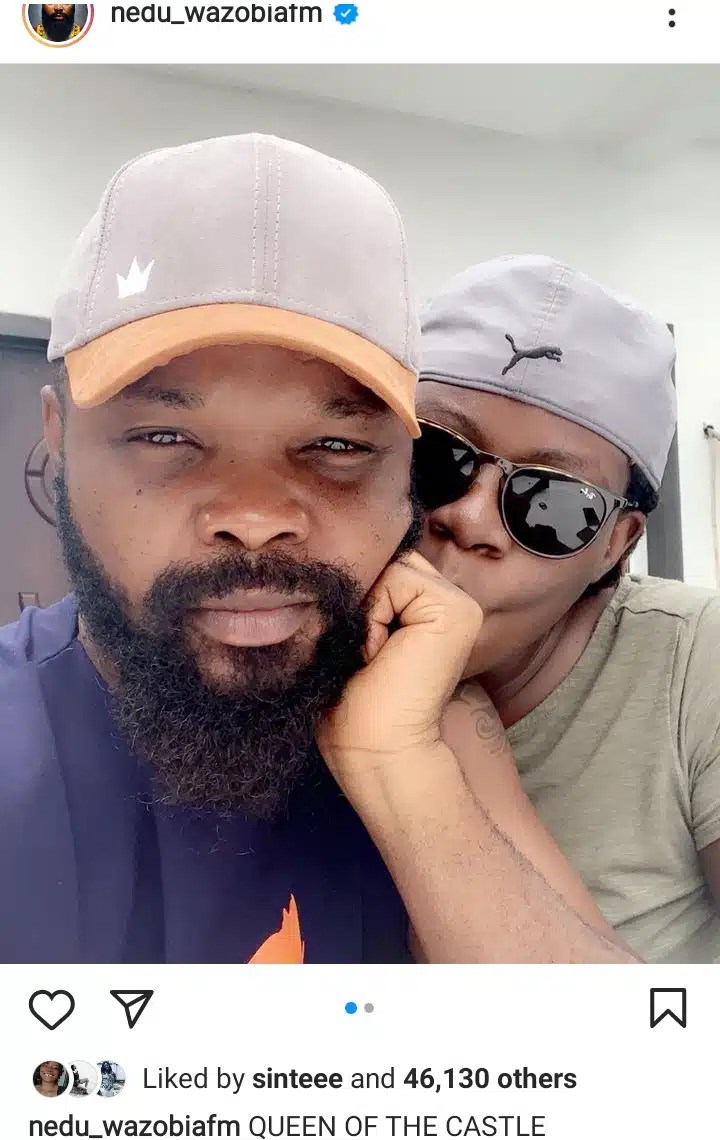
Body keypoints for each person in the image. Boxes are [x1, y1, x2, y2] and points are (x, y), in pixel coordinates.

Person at [0, 136, 634, 966]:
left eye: (337, 446)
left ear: (408, 469)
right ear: (58, 440)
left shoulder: (430, 719)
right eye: (164, 436)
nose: (256, 518)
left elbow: (616, 1049)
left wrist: (398, 767)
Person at [414, 254, 720, 963]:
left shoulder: (694, 664)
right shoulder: (282, 641)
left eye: (551, 503)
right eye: (432, 458)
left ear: (616, 544)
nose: (470, 519)